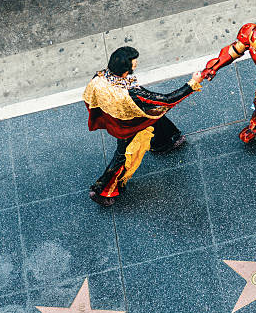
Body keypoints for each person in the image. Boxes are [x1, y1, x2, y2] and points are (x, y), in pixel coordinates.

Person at [83, 46, 203, 207]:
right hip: (129, 126)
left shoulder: (98, 78)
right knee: (123, 157)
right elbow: (165, 101)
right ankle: (102, 190)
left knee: (156, 118)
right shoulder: (132, 93)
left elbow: (89, 99)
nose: (136, 63)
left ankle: (165, 142)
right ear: (126, 69)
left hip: (119, 120)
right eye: (134, 62)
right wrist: (192, 84)